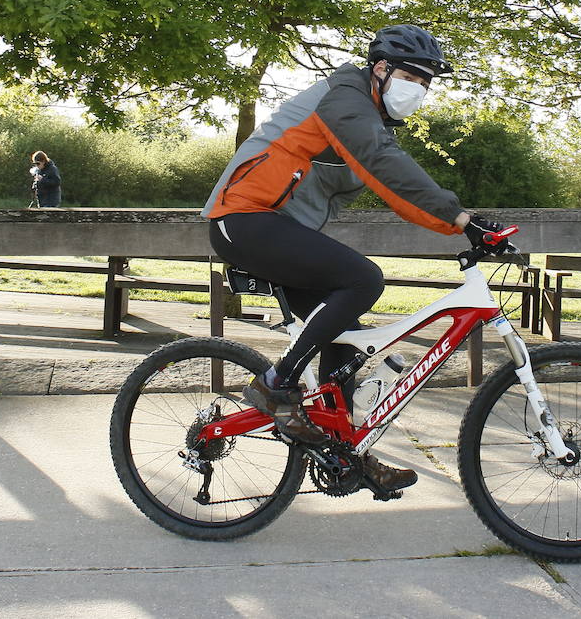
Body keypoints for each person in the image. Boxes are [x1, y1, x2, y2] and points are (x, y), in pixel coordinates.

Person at [203, 24, 501, 492]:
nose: (419, 90)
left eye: (427, 83)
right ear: (381, 69)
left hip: (276, 228)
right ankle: (274, 383)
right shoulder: (345, 98)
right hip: (243, 218)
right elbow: (386, 167)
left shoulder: (370, 118)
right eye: (412, 77)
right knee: (363, 279)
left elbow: (395, 191)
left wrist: (458, 224)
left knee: (343, 343)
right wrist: (462, 220)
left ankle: (345, 456)